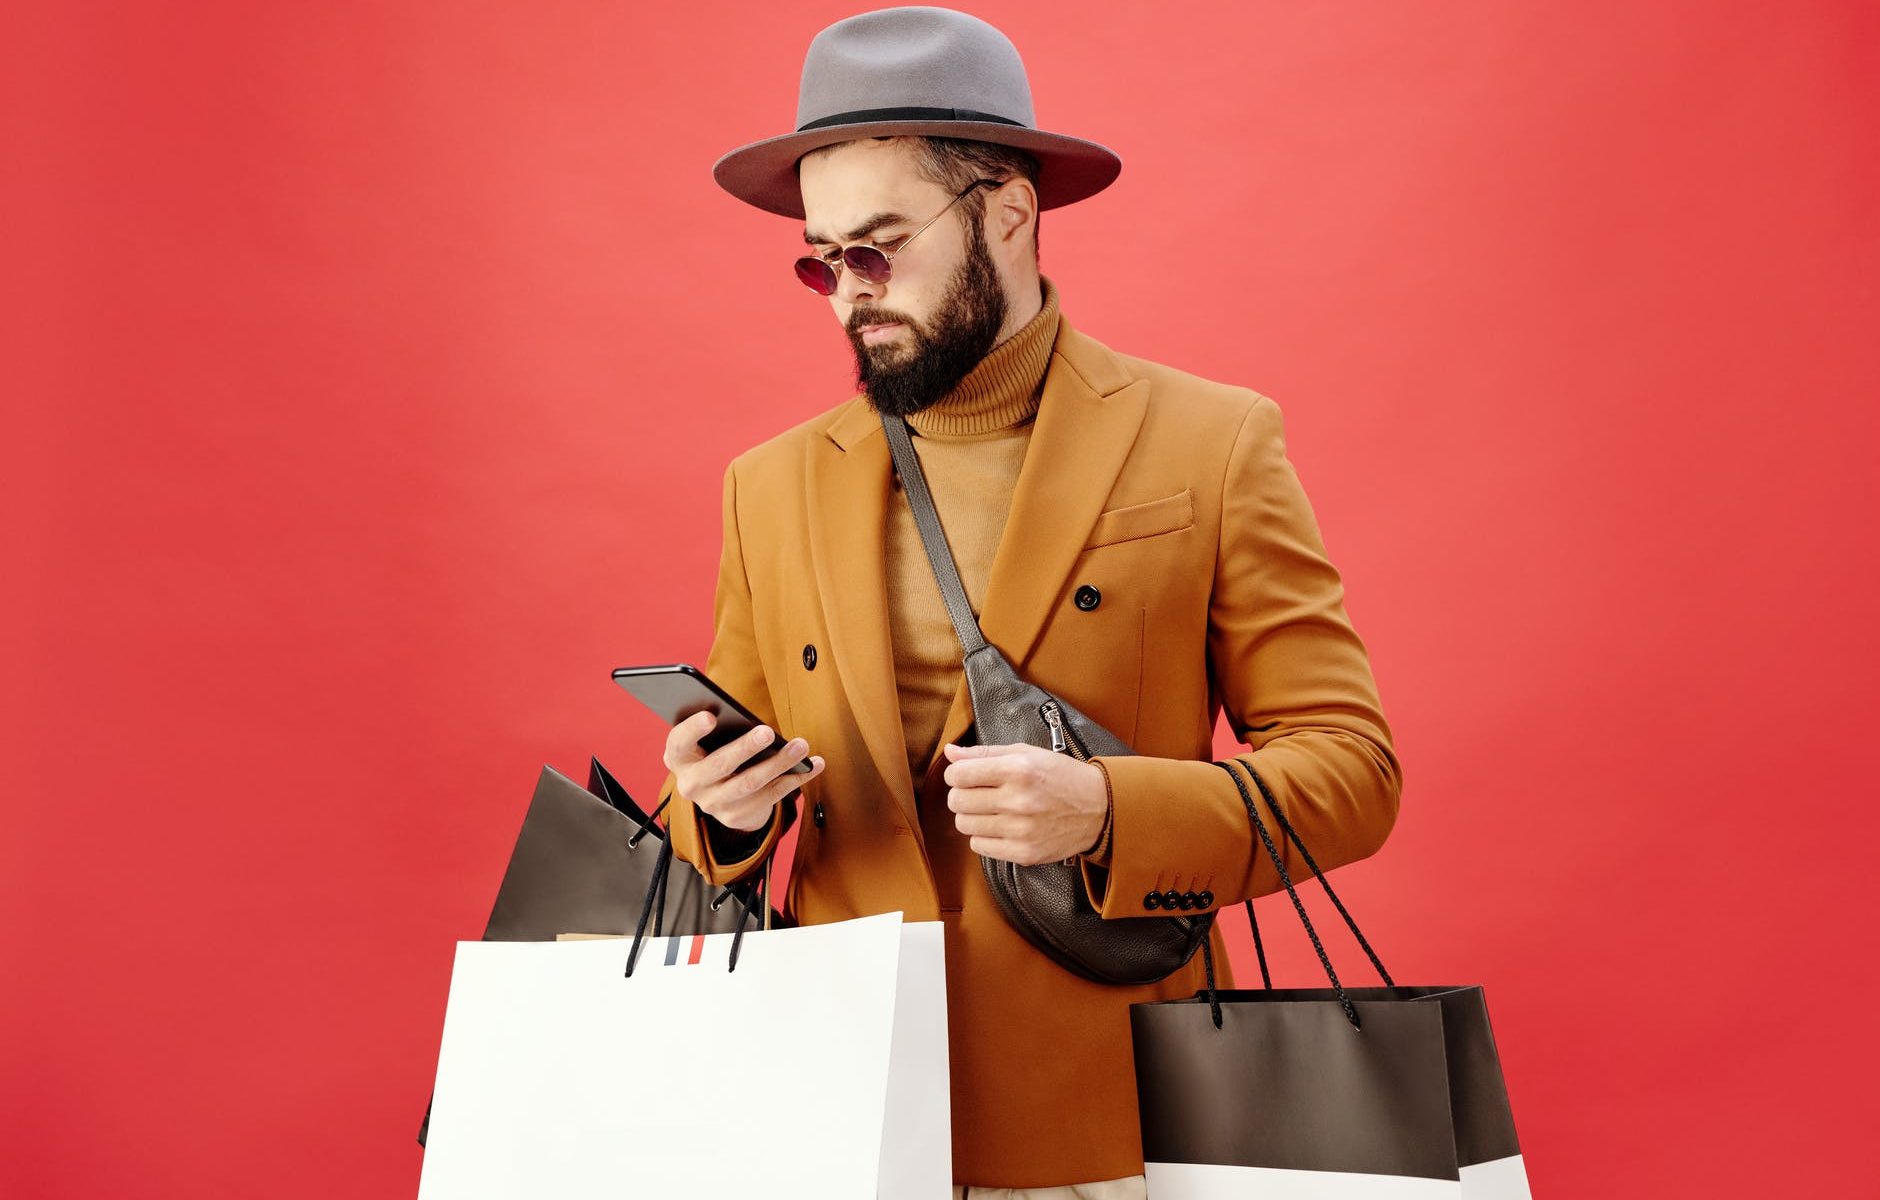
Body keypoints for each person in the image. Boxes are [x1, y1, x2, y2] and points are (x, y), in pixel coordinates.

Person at [651, 7, 1402, 1197]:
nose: (848, 294)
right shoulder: (772, 484)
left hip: (1109, 1114)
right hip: (838, 1112)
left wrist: (1105, 811)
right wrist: (724, 811)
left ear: (1004, 209)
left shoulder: (1207, 442)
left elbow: (1351, 776)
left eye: (879, 247)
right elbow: (713, 798)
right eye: (820, 258)